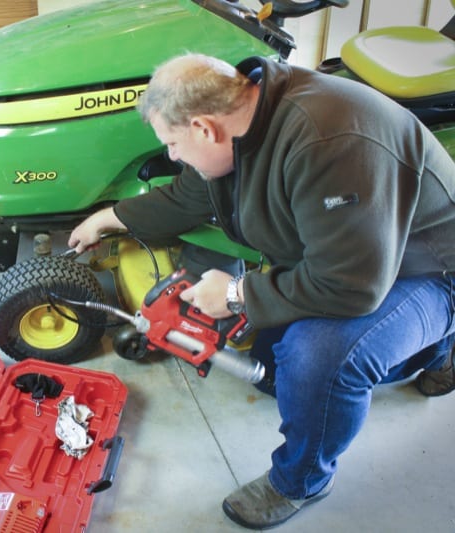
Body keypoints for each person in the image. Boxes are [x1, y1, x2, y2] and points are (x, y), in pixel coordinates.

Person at [68, 52, 455, 529]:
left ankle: (302, 479)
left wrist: (237, 293)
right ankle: (434, 349)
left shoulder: (328, 140)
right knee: (276, 370)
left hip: (428, 271)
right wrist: (109, 218)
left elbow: (351, 287)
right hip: (360, 255)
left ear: (204, 128)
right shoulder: (246, 117)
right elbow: (188, 196)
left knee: (318, 360)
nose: (171, 155)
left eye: (172, 143)